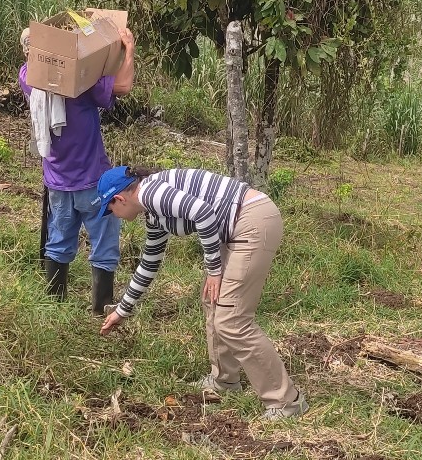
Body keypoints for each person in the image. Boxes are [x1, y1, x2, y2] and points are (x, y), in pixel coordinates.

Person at [94, 165, 309, 421]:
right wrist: (123, 309)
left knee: (232, 320)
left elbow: (203, 213)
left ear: (119, 199)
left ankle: (286, 401)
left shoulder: (149, 192)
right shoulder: (152, 212)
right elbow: (149, 263)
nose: (113, 215)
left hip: (251, 220)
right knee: (213, 301)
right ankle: (224, 380)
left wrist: (213, 269)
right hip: (234, 228)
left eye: (110, 210)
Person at [17, 24, 135, 314]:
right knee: (105, 246)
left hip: (57, 179)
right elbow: (123, 86)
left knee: (58, 242)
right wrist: (128, 48)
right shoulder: (79, 84)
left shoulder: (27, 77)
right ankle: (101, 310)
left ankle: (55, 306)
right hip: (93, 180)